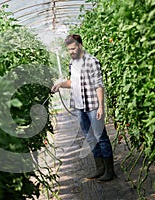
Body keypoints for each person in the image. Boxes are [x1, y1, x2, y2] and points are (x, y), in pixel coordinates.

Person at [51, 34, 115, 182]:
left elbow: (99, 85)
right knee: (90, 137)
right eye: (69, 50)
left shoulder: (92, 61)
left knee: (101, 137)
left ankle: (110, 171)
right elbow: (72, 82)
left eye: (73, 48)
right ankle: (100, 168)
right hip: (79, 107)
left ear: (80, 45)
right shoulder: (72, 63)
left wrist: (100, 106)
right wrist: (60, 84)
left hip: (92, 105)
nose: (71, 52)